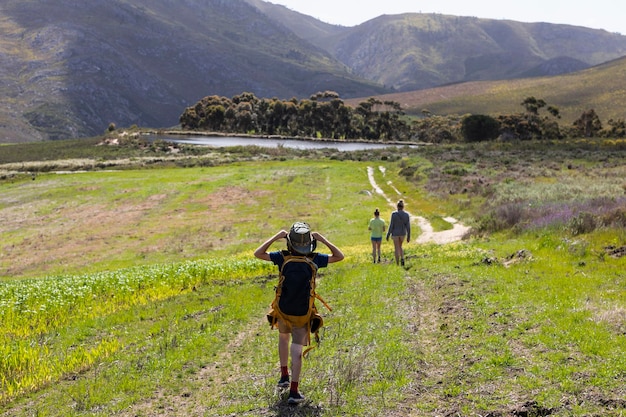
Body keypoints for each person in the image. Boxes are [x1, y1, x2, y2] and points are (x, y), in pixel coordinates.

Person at [254, 222, 344, 404]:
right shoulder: (315, 259)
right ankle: (294, 391)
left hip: (283, 310)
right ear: (310, 243)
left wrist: (277, 236)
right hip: (303, 313)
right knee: (296, 349)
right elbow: (339, 256)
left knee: (283, 338)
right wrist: (322, 239)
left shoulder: (282, 257)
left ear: (289, 243)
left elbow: (258, 253)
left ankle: (283, 376)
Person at [386, 200, 410, 266]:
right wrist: (408, 236)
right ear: (403, 207)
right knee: (400, 246)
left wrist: (388, 234)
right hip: (402, 233)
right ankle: (402, 258)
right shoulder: (406, 215)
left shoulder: (394, 214)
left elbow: (391, 225)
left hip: (395, 233)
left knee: (396, 247)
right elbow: (408, 226)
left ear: (397, 206)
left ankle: (397, 263)